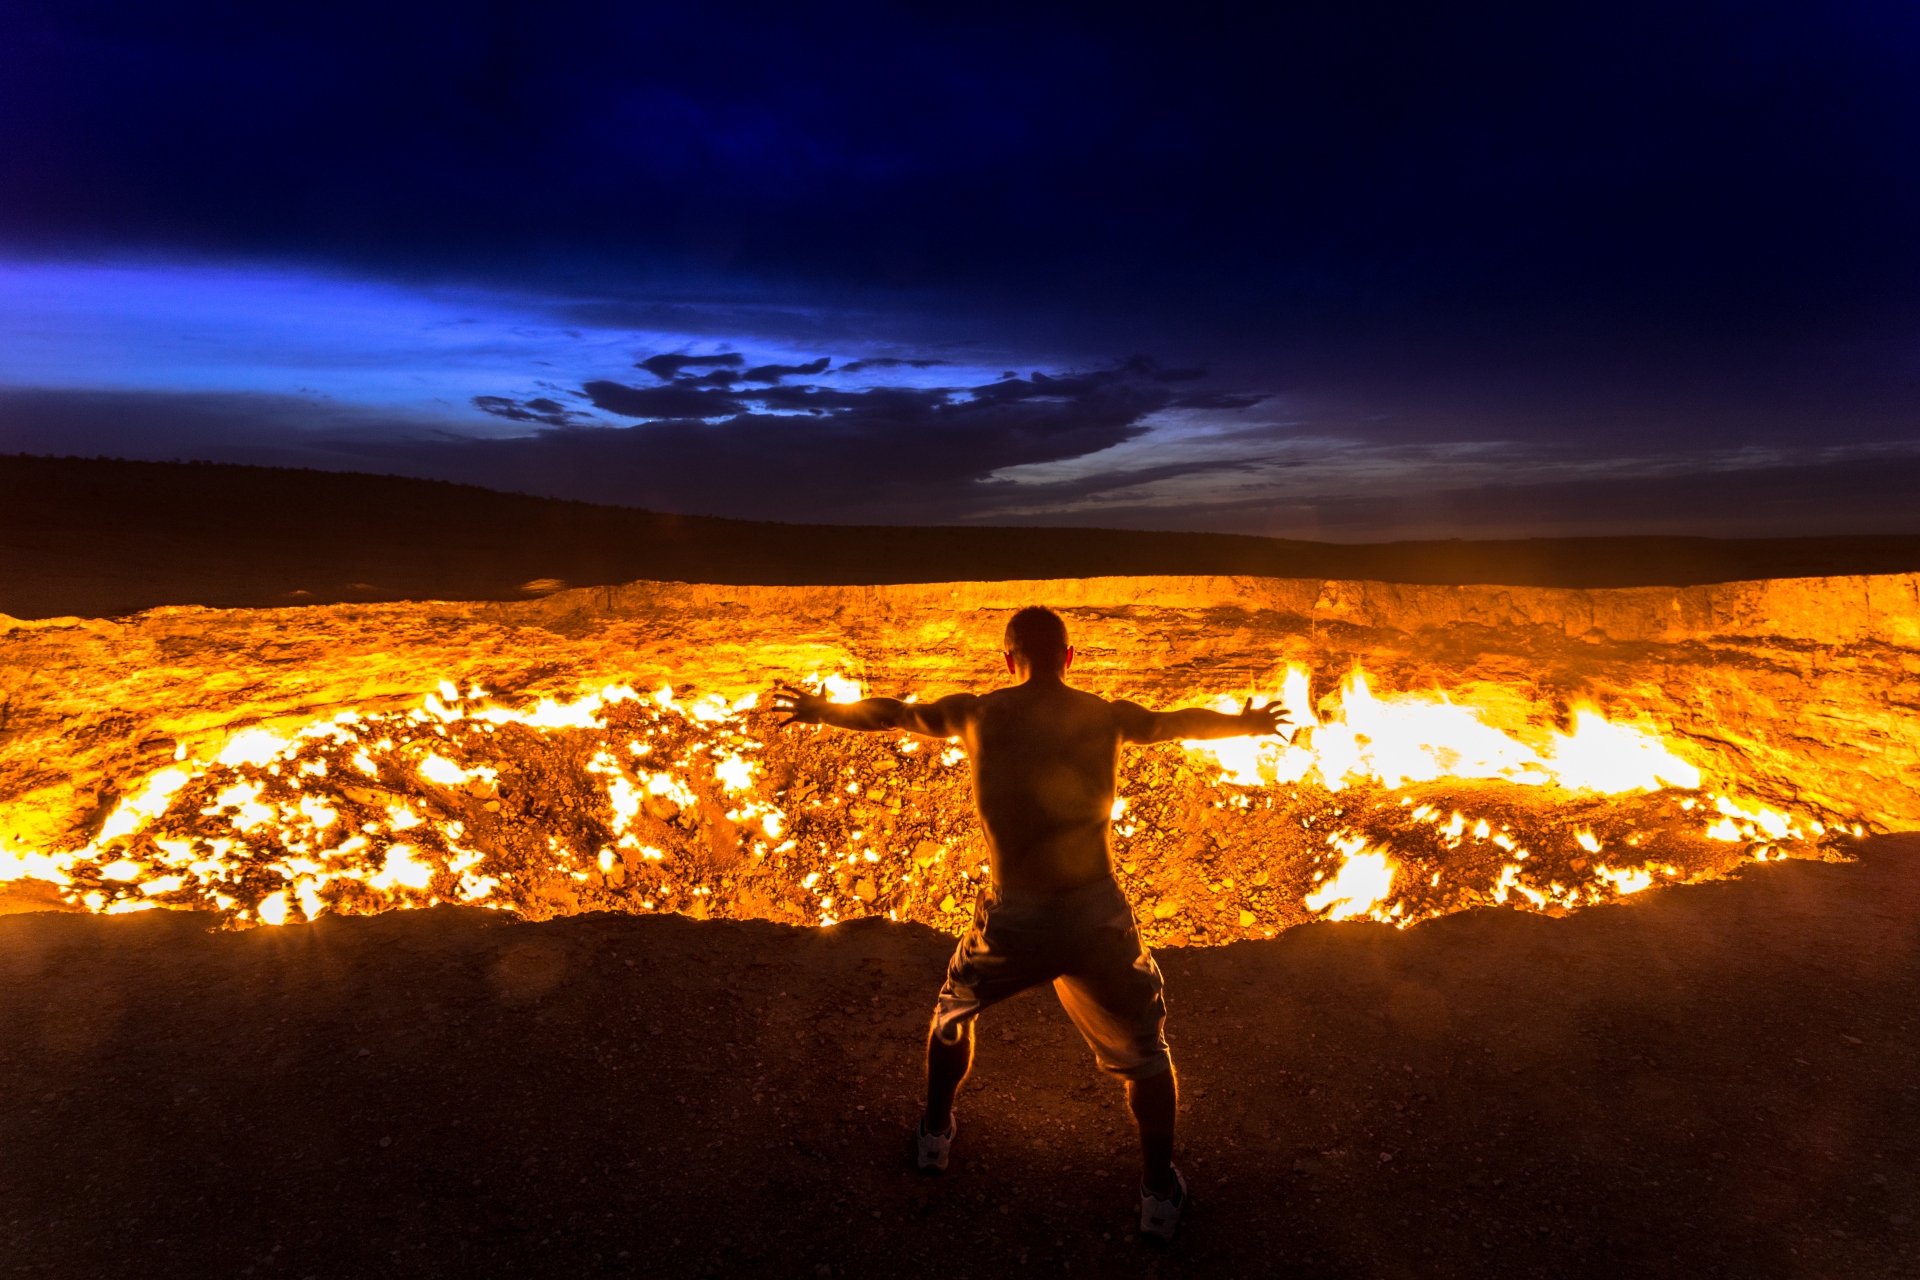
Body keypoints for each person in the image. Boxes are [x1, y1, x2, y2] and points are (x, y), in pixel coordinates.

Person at [772, 605, 1286, 1244]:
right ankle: (1158, 1195)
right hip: (1096, 914)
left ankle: (935, 1136)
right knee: (1147, 1058)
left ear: (1007, 660)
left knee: (952, 1013)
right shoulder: (1104, 715)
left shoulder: (978, 713)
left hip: (1014, 915)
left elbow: (896, 714)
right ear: (1069, 658)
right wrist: (1249, 723)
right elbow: (1174, 725)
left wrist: (826, 712)